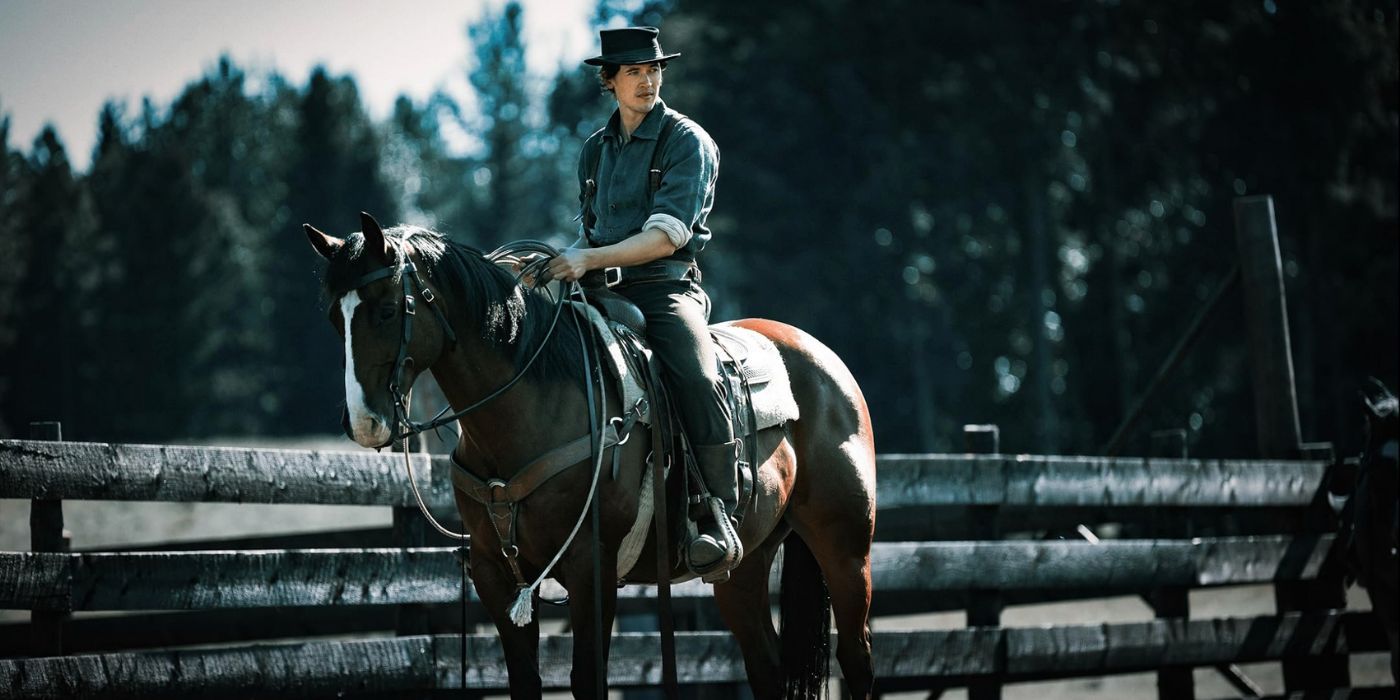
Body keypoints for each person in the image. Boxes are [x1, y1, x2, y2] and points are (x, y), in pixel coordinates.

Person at [545, 26, 740, 582]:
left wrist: (588, 258)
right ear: (609, 81)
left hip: (664, 289)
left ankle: (716, 514)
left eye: (654, 69)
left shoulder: (687, 141)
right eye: (633, 71)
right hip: (600, 289)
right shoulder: (593, 150)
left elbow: (666, 236)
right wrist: (549, 265)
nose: (648, 80)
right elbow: (590, 234)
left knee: (699, 376)